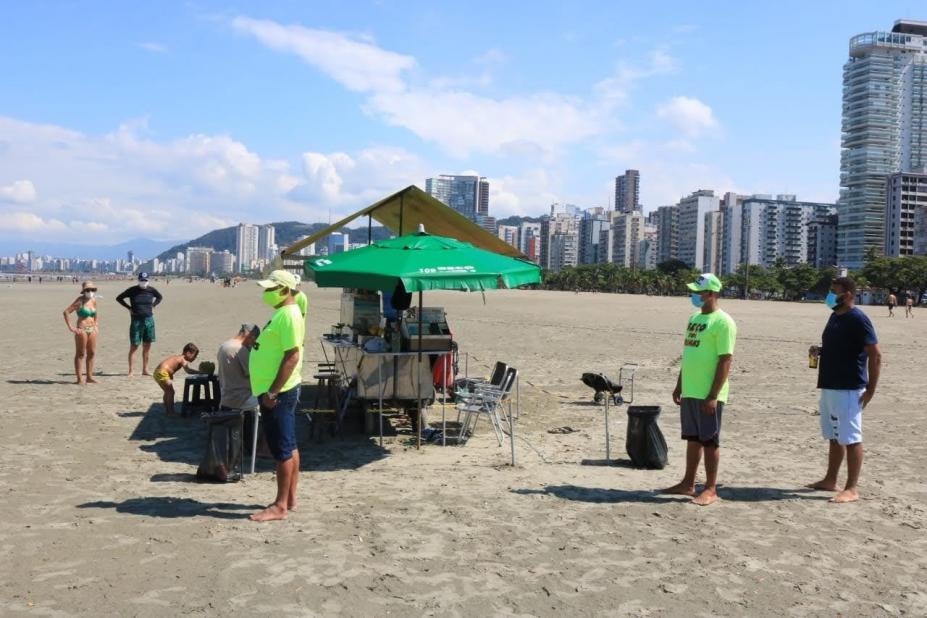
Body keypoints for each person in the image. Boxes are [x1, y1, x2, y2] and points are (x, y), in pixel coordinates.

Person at [662, 273, 737, 506]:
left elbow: (725, 360)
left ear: (712, 293)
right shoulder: (694, 318)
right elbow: (689, 355)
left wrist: (713, 395)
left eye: (699, 291)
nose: (694, 295)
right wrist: (680, 384)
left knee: (710, 440)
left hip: (709, 393)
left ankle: (711, 488)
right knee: (692, 438)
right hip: (691, 390)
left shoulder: (723, 322)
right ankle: (688, 483)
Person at [807, 276, 881, 503]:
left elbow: (875, 354)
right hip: (829, 384)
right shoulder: (835, 316)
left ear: (848, 294)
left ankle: (852, 488)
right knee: (834, 436)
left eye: (834, 291)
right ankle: (830, 480)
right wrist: (820, 351)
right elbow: (841, 346)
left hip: (849, 387)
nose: (830, 295)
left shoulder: (858, 319)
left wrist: (870, 390)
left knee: (850, 438)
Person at [248, 270, 305, 522]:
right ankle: (290, 498)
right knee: (289, 444)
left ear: (284, 290)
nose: (266, 292)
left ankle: (280, 505)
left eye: (271, 288)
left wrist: (272, 392)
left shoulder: (289, 315)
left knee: (281, 448)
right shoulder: (283, 313)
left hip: (279, 392)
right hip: (277, 390)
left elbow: (292, 355)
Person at [116, 272, 163, 376]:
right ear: (138, 280)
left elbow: (160, 297)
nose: (144, 282)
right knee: (134, 346)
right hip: (136, 321)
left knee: (147, 346)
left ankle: (145, 370)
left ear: (148, 280)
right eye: (142, 280)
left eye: (145, 280)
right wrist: (129, 308)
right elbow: (119, 298)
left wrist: (154, 305)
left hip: (149, 320)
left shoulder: (151, 290)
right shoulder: (132, 290)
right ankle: (131, 371)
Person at [63, 281, 100, 384]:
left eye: (92, 290)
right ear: (84, 291)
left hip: (92, 329)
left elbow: (95, 313)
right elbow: (66, 312)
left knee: (91, 353)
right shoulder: (80, 301)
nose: (90, 292)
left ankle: (89, 377)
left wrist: (96, 324)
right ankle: (79, 378)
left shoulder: (93, 300)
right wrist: (71, 327)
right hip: (82, 329)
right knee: (80, 353)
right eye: (88, 290)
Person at [217, 324, 260, 410]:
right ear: (250, 335)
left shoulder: (223, 345)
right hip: (242, 398)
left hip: (225, 396)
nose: (253, 343)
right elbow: (253, 374)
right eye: (254, 340)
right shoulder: (240, 349)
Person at [153, 343, 202, 417]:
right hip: (163, 372)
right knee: (171, 392)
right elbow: (188, 371)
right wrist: (200, 372)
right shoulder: (183, 359)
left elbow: (169, 365)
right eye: (194, 355)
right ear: (188, 353)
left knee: (167, 392)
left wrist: (169, 375)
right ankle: (170, 412)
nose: (195, 358)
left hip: (157, 372)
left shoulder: (178, 357)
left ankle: (167, 410)